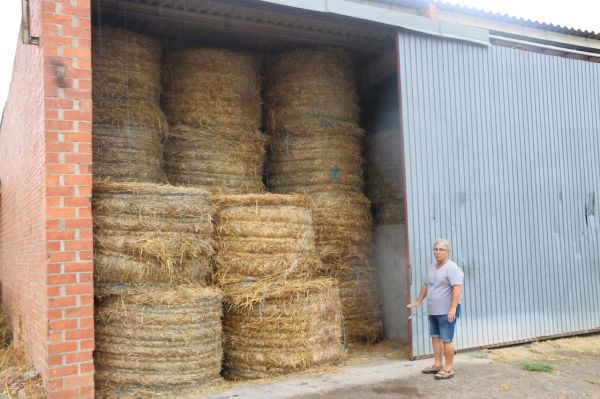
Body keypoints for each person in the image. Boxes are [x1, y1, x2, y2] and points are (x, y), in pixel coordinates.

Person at [407, 239, 464, 380]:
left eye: (441, 250)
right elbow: (426, 285)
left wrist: (452, 308)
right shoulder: (432, 267)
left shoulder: (452, 268)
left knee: (447, 340)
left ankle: (449, 368)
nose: (437, 252)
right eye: (435, 249)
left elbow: (457, 287)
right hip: (433, 310)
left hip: (446, 311)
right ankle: (438, 365)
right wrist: (419, 301)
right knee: (435, 338)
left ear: (447, 252)